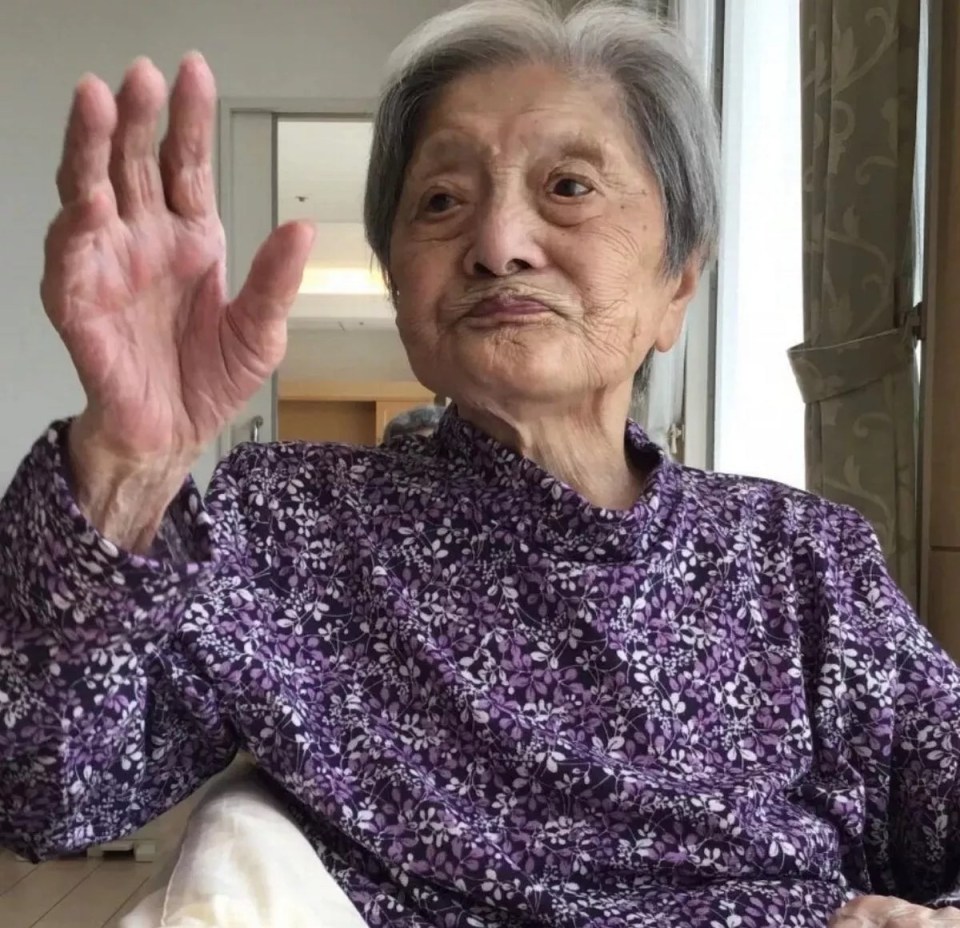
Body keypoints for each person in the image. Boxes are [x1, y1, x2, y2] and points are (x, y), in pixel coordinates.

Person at [0, 2, 957, 926]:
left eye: (568, 187)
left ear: (680, 283)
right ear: (398, 284)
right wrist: (129, 460)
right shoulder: (296, 530)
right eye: (442, 201)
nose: (498, 244)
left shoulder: (799, 555)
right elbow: (47, 792)